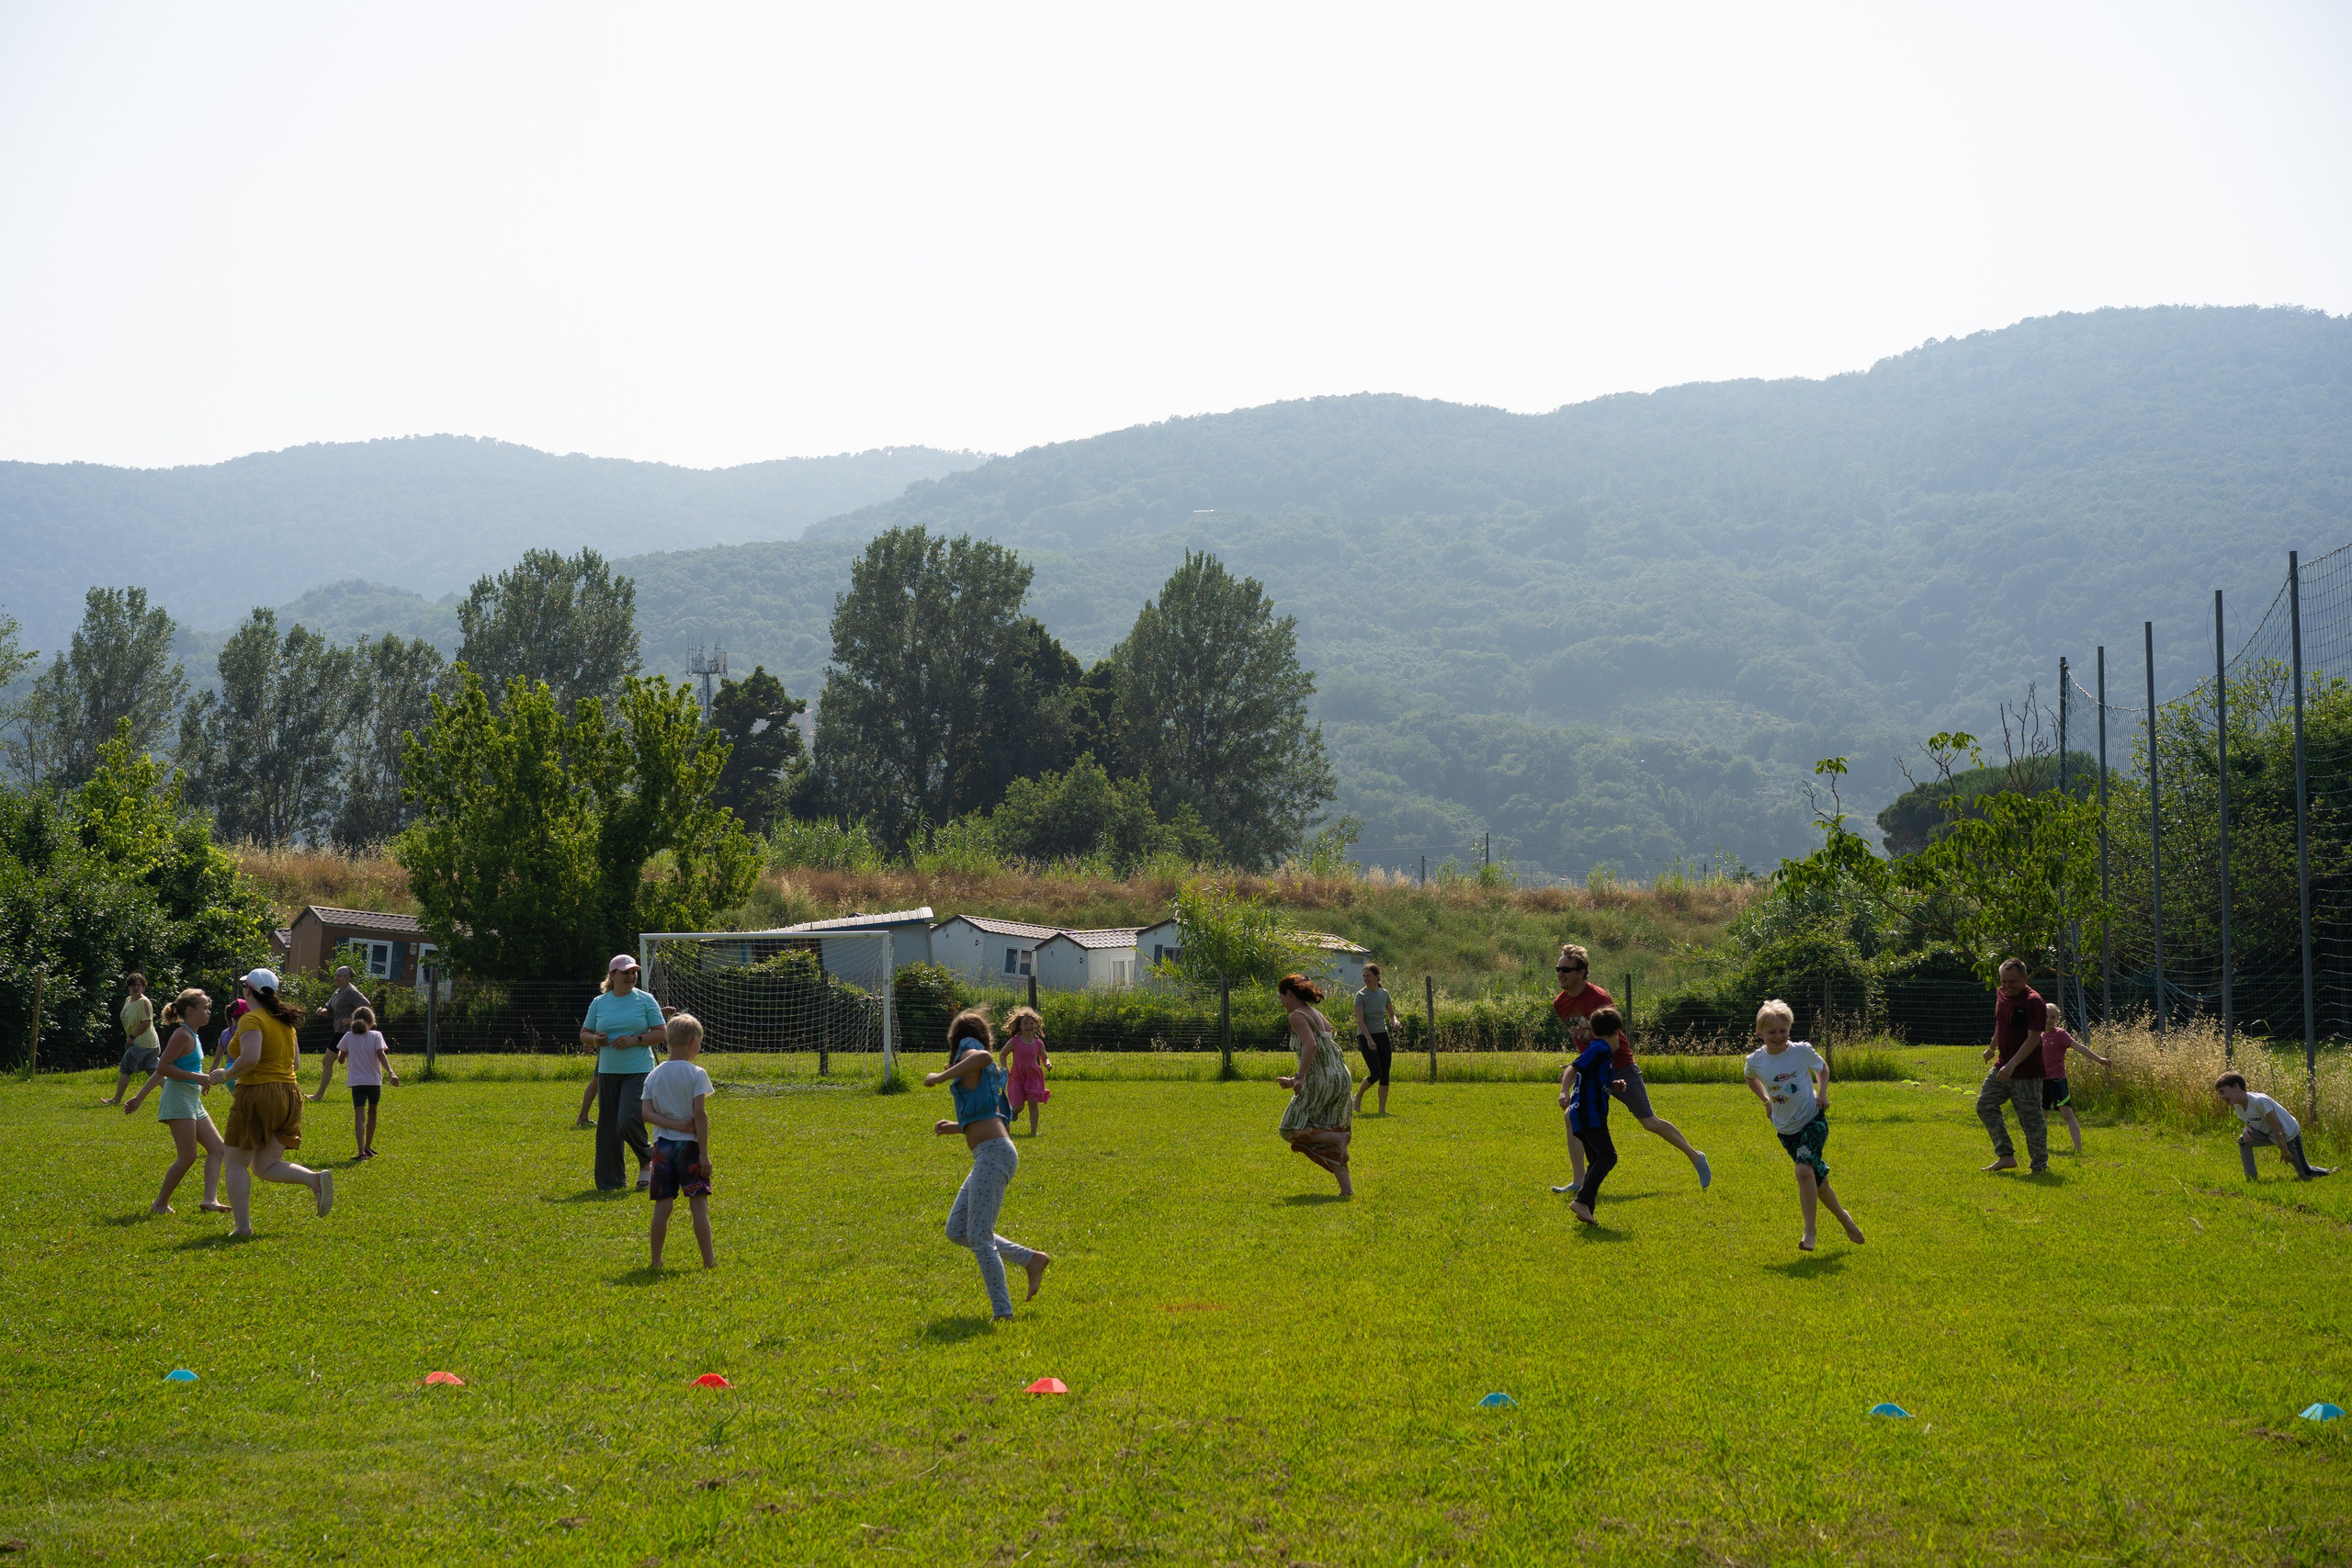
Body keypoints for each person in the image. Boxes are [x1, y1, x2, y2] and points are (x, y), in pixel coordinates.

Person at [922, 1010, 1049, 1318]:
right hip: (993, 1152)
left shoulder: (971, 1052)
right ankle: (1030, 1259)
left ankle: (1003, 1312)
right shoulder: (977, 1076)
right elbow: (992, 1118)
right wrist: (956, 1126)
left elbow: (983, 1058)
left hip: (994, 1154)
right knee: (957, 1229)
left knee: (979, 1235)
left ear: (957, 1039)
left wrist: (940, 1077)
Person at [1552, 945, 1710, 1190]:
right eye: (1558, 969)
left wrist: (1584, 1064)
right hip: (1592, 1067)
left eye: (1566, 969)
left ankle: (1696, 1157)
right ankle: (1579, 1182)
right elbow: (1581, 1039)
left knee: (1649, 1121)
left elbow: (1613, 1042)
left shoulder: (1599, 998)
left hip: (1620, 1065)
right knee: (1572, 1116)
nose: (1560, 974)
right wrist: (1581, 1065)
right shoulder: (1560, 1003)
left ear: (1581, 972)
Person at [211, 967, 332, 1236]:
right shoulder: (285, 1022)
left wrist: (225, 1075)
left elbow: (250, 1058)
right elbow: (296, 1064)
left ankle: (243, 1227)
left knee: (235, 1162)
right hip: (290, 1095)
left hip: (258, 1093)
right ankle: (314, 1180)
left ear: (248, 991)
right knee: (264, 1165)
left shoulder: (251, 1019)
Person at [1744, 998, 1866, 1252]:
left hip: (1813, 1120)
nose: (1779, 1036)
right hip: (1785, 1129)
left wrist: (1823, 1094)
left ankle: (1810, 1232)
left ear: (1790, 1028)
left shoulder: (1801, 1052)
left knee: (1802, 1171)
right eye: (1772, 1032)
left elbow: (1822, 1068)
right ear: (1759, 1033)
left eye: (1783, 1030)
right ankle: (1844, 1218)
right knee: (1817, 1183)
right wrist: (1766, 1101)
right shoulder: (1756, 1060)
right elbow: (1750, 1077)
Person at [121, 987, 231, 1215]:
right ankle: (160, 1203)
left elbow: (165, 1070)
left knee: (218, 1148)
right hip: (178, 1099)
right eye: (205, 1008)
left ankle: (210, 1200)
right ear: (190, 1010)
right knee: (188, 1156)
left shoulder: (193, 1035)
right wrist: (196, 1077)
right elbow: (163, 1067)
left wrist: (139, 1097)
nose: (209, 1012)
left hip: (192, 1100)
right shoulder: (182, 1035)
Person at [580, 953, 666, 1192]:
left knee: (627, 1120)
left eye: (634, 972)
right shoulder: (599, 1002)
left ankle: (648, 1159)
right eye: (625, 972)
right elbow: (584, 1034)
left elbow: (661, 1032)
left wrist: (634, 1040)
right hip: (608, 1072)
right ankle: (610, 1182)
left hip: (639, 1070)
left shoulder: (646, 1000)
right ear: (612, 975)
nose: (631, 976)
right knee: (608, 1128)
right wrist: (596, 1039)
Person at [641, 1014, 717, 1269]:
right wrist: (704, 1153)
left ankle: (656, 1261)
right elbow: (700, 1115)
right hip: (690, 1148)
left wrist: (673, 1125)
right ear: (693, 1041)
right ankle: (709, 1261)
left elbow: (646, 1113)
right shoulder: (697, 1073)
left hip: (662, 1148)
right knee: (699, 1206)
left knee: (662, 1207)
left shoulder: (654, 1075)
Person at [1276, 974, 1354, 1198]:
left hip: (1320, 1079)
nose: (1280, 1001)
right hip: (1340, 1077)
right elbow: (1324, 1051)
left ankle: (1338, 1139)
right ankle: (1346, 1190)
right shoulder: (1317, 1014)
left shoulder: (1296, 1016)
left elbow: (1311, 1046)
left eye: (1281, 996)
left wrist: (1299, 1077)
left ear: (1289, 994)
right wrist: (1294, 1080)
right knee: (1325, 1129)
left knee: (1289, 1129)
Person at [1977, 958, 2051, 1174]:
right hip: (2003, 1066)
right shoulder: (2001, 993)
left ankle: (2040, 1166)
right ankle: (2006, 1155)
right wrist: (1992, 1048)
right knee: (1985, 1105)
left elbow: (2034, 1038)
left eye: (2013, 981)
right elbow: (2001, 1024)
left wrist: (2012, 1065)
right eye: (2004, 981)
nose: (2007, 986)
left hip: (2026, 1072)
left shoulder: (2033, 1001)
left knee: (2031, 1120)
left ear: (2024, 978)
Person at [1556, 1005, 1625, 1224]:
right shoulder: (1599, 1049)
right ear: (1616, 1032)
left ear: (1593, 1031)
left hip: (1583, 1114)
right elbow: (1573, 1067)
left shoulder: (1600, 1052)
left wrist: (1613, 1085)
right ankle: (1581, 1201)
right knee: (1608, 1157)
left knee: (1596, 1160)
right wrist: (1563, 1090)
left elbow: (1593, 1080)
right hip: (1589, 1113)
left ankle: (1587, 1211)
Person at [2217, 1072, 2334, 1181]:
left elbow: (2276, 1125)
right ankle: (2251, 1178)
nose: (2221, 1097)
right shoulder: (2237, 1106)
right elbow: (2251, 1120)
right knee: (2243, 1141)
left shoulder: (2259, 1101)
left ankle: (2331, 1172)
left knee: (2305, 1174)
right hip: (2269, 1134)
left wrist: (2285, 1151)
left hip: (2288, 1135)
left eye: (2222, 1092)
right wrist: (2247, 1129)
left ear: (2236, 1087)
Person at [2039, 1016, 2111, 1156]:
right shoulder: (2037, 1034)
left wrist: (2099, 1059)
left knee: (2066, 1114)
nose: (2048, 1019)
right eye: (2045, 1016)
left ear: (2057, 1019)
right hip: (2040, 1080)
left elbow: (2079, 1047)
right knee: (2042, 1114)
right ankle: (2040, 1146)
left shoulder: (2061, 1034)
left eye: (2052, 1017)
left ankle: (2078, 1149)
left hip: (2057, 1080)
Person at [336, 1005, 398, 1159]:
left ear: (354, 1020)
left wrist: (342, 1054)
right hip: (374, 1082)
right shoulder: (376, 1035)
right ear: (371, 1022)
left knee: (359, 1116)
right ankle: (368, 1147)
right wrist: (391, 1073)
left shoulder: (348, 1036)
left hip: (357, 1082)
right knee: (372, 1112)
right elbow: (381, 1054)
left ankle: (360, 1152)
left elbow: (341, 1060)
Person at [310, 965, 369, 1102]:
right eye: (335, 975)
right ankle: (319, 1095)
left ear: (346, 978)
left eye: (339, 976)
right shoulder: (337, 992)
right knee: (354, 1063)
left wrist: (352, 1019)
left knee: (328, 1061)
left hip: (347, 1032)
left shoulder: (350, 991)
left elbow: (366, 1007)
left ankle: (319, 1095)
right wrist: (322, 1011)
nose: (336, 978)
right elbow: (328, 1009)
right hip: (340, 1031)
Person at [102, 972, 161, 1106]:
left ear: (143, 987)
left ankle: (116, 1100)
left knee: (125, 1069)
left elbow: (146, 1022)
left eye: (139, 985)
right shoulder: (128, 1000)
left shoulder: (143, 1002)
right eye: (133, 985)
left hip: (142, 1043)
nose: (136, 988)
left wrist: (132, 1037)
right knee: (155, 1072)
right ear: (128, 986)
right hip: (148, 1043)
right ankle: (176, 1095)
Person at [1351, 963, 1398, 1115]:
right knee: (1375, 1073)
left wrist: (1395, 1022)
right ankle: (1358, 1096)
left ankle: (1382, 1109)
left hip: (1382, 1034)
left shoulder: (1384, 993)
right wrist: (1369, 1039)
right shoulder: (1360, 996)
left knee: (1385, 1074)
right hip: (1366, 1036)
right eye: (1364, 976)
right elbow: (1360, 1021)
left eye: (1368, 976)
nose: (1365, 979)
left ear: (1377, 977)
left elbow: (1391, 1014)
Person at [998, 1007, 1051, 1135]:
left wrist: (1047, 1064)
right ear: (1020, 1026)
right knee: (1018, 1106)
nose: (1029, 1026)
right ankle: (1013, 1112)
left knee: (1033, 1102)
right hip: (1017, 1076)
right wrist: (1005, 1068)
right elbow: (1002, 1055)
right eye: (1025, 1023)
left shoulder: (1038, 1043)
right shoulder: (1014, 1041)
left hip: (1033, 1076)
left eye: (1031, 1023)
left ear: (1036, 1026)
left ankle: (1033, 1132)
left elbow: (1044, 1057)